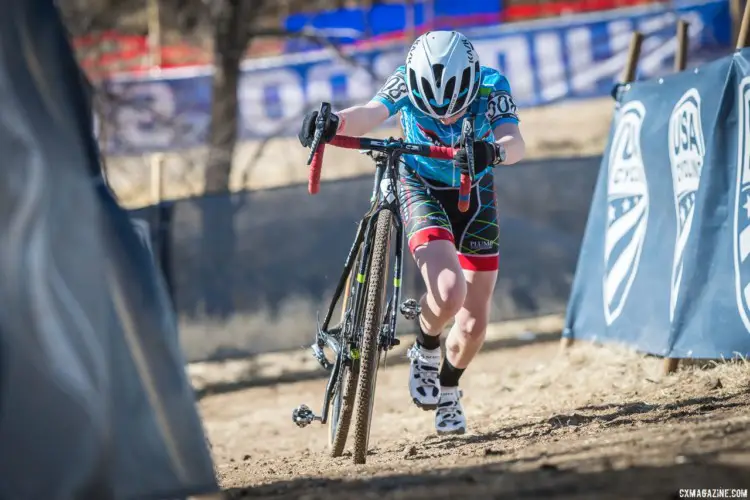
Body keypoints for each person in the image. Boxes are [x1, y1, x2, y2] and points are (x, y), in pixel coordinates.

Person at [298, 31, 526, 435]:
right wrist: (334, 124)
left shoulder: (492, 85)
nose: (446, 119)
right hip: (421, 185)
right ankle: (425, 344)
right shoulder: (404, 79)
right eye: (433, 112)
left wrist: (497, 150)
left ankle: (450, 387)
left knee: (473, 324)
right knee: (448, 291)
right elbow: (369, 113)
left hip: (475, 193)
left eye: (454, 111)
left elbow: (514, 139)